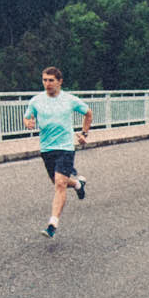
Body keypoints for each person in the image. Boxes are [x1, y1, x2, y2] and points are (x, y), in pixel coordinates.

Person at [25, 65, 92, 238]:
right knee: (57, 181)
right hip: (46, 148)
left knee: (60, 184)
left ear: (60, 82)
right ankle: (78, 184)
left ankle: (52, 224)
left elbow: (88, 113)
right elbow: (27, 116)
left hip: (65, 147)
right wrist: (28, 123)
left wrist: (84, 134)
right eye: (44, 80)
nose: (47, 84)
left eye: (51, 80)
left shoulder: (69, 99)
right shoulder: (36, 101)